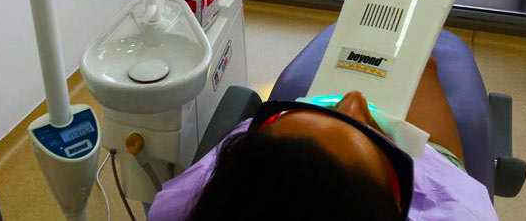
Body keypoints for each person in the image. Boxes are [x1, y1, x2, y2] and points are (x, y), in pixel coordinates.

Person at [147, 57, 498, 221]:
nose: (354, 99)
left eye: (282, 119)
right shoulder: (459, 212)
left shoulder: (180, 207)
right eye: (372, 135)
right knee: (420, 63)